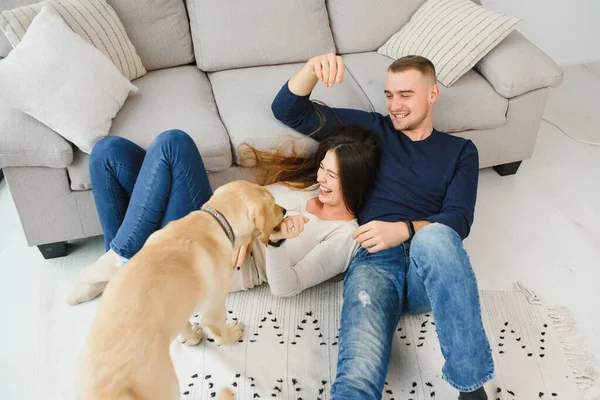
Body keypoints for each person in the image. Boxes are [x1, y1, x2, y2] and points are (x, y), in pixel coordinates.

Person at [271, 53, 493, 400]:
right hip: (373, 261)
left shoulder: (461, 151)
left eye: (405, 94)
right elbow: (289, 110)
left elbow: (458, 220)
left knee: (435, 238)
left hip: (426, 265)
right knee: (358, 374)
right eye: (389, 95)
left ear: (432, 94)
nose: (395, 105)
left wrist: (404, 229)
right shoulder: (375, 130)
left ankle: (471, 389)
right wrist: (313, 68)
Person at [67, 126, 379, 305]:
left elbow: (286, 287)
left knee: (174, 144)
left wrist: (274, 239)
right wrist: (246, 228)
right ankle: (121, 266)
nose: (321, 179)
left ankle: (111, 267)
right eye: (322, 168)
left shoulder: (344, 237)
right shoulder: (310, 187)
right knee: (108, 151)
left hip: (205, 262)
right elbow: (245, 196)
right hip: (207, 220)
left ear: (355, 181)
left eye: (332, 176)